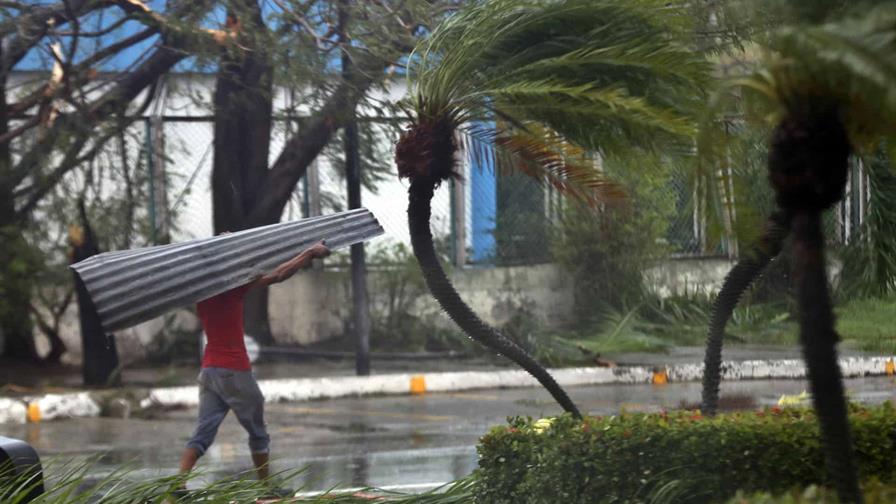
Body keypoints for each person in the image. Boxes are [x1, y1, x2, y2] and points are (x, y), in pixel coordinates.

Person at [177, 240, 331, 485]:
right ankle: (267, 489)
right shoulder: (230, 287)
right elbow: (279, 273)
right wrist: (309, 253)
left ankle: (175, 489)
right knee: (258, 433)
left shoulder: (201, 293)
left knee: (203, 433)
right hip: (234, 371)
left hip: (209, 371)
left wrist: (230, 247)